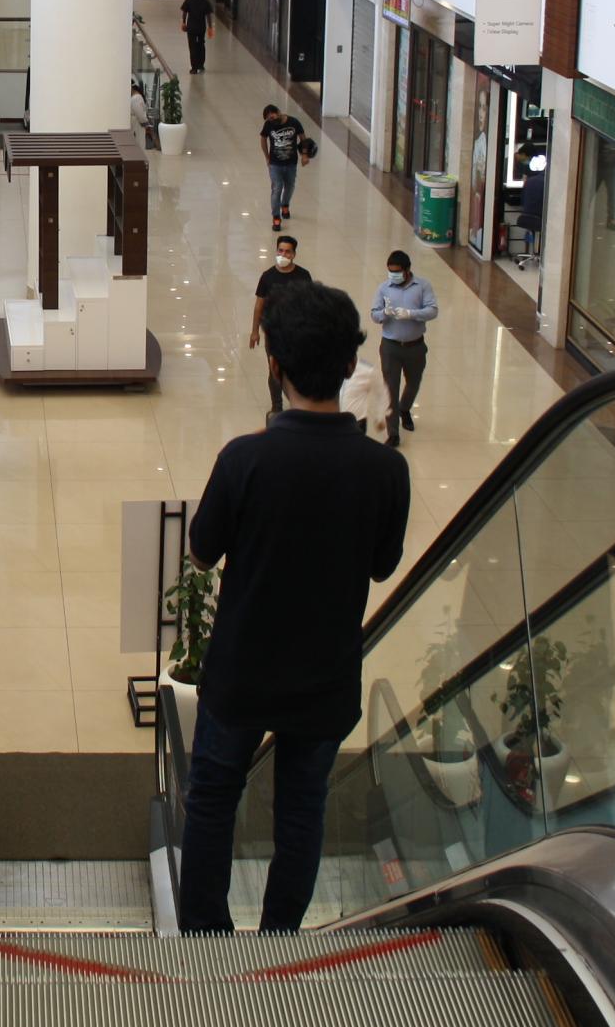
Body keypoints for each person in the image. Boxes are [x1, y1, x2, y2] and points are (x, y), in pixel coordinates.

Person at [178, 279, 409, 933]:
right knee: (303, 807)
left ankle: (205, 934)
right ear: (347, 366)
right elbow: (382, 564)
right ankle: (280, 937)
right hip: (326, 674)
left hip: (241, 668)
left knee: (214, 797)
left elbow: (201, 552)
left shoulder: (246, 457)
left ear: (274, 364)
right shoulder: (385, 471)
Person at [368, 250, 439, 446]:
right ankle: (393, 433)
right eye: (390, 272)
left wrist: (411, 314)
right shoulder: (383, 288)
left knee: (413, 383)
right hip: (391, 347)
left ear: (407, 270)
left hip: (415, 346)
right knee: (391, 388)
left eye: (397, 272)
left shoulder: (423, 286)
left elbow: (433, 310)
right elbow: (374, 315)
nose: (393, 275)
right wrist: (385, 313)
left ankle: (405, 408)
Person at [248, 235, 307, 417]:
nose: (283, 254)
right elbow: (259, 305)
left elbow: (309, 303)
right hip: (273, 332)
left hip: (296, 332)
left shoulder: (303, 276)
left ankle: (297, 403)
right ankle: (277, 406)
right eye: (280, 250)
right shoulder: (268, 277)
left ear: (294, 254)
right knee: (274, 369)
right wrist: (254, 331)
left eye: (287, 251)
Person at [259, 103, 312, 230]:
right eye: (268, 119)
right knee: (277, 188)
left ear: (278, 112)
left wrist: (305, 155)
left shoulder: (294, 122)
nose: (271, 120)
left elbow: (303, 139)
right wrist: (267, 157)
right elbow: (263, 139)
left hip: (291, 163)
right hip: (275, 164)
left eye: (272, 117)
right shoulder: (268, 125)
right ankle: (276, 217)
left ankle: (285, 205)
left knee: (290, 186)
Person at [180, 0, 214, 74]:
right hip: (201, 28)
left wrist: (183, 23)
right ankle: (201, 64)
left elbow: (184, 13)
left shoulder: (188, 1)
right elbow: (208, 16)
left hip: (191, 28)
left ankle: (194, 68)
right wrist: (210, 28)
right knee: (201, 45)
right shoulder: (205, 2)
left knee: (192, 46)